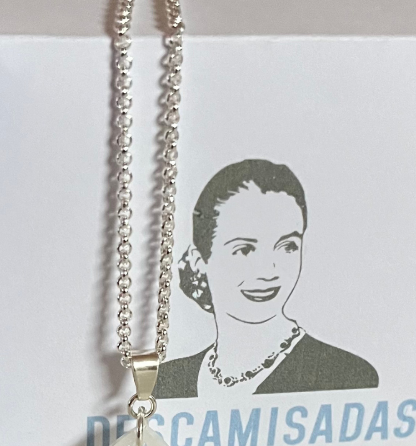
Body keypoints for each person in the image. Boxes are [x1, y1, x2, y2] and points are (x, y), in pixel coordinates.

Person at [155, 159, 378, 398]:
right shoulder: (166, 381)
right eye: (244, 250)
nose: (268, 270)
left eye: (287, 246)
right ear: (200, 260)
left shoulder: (346, 376)